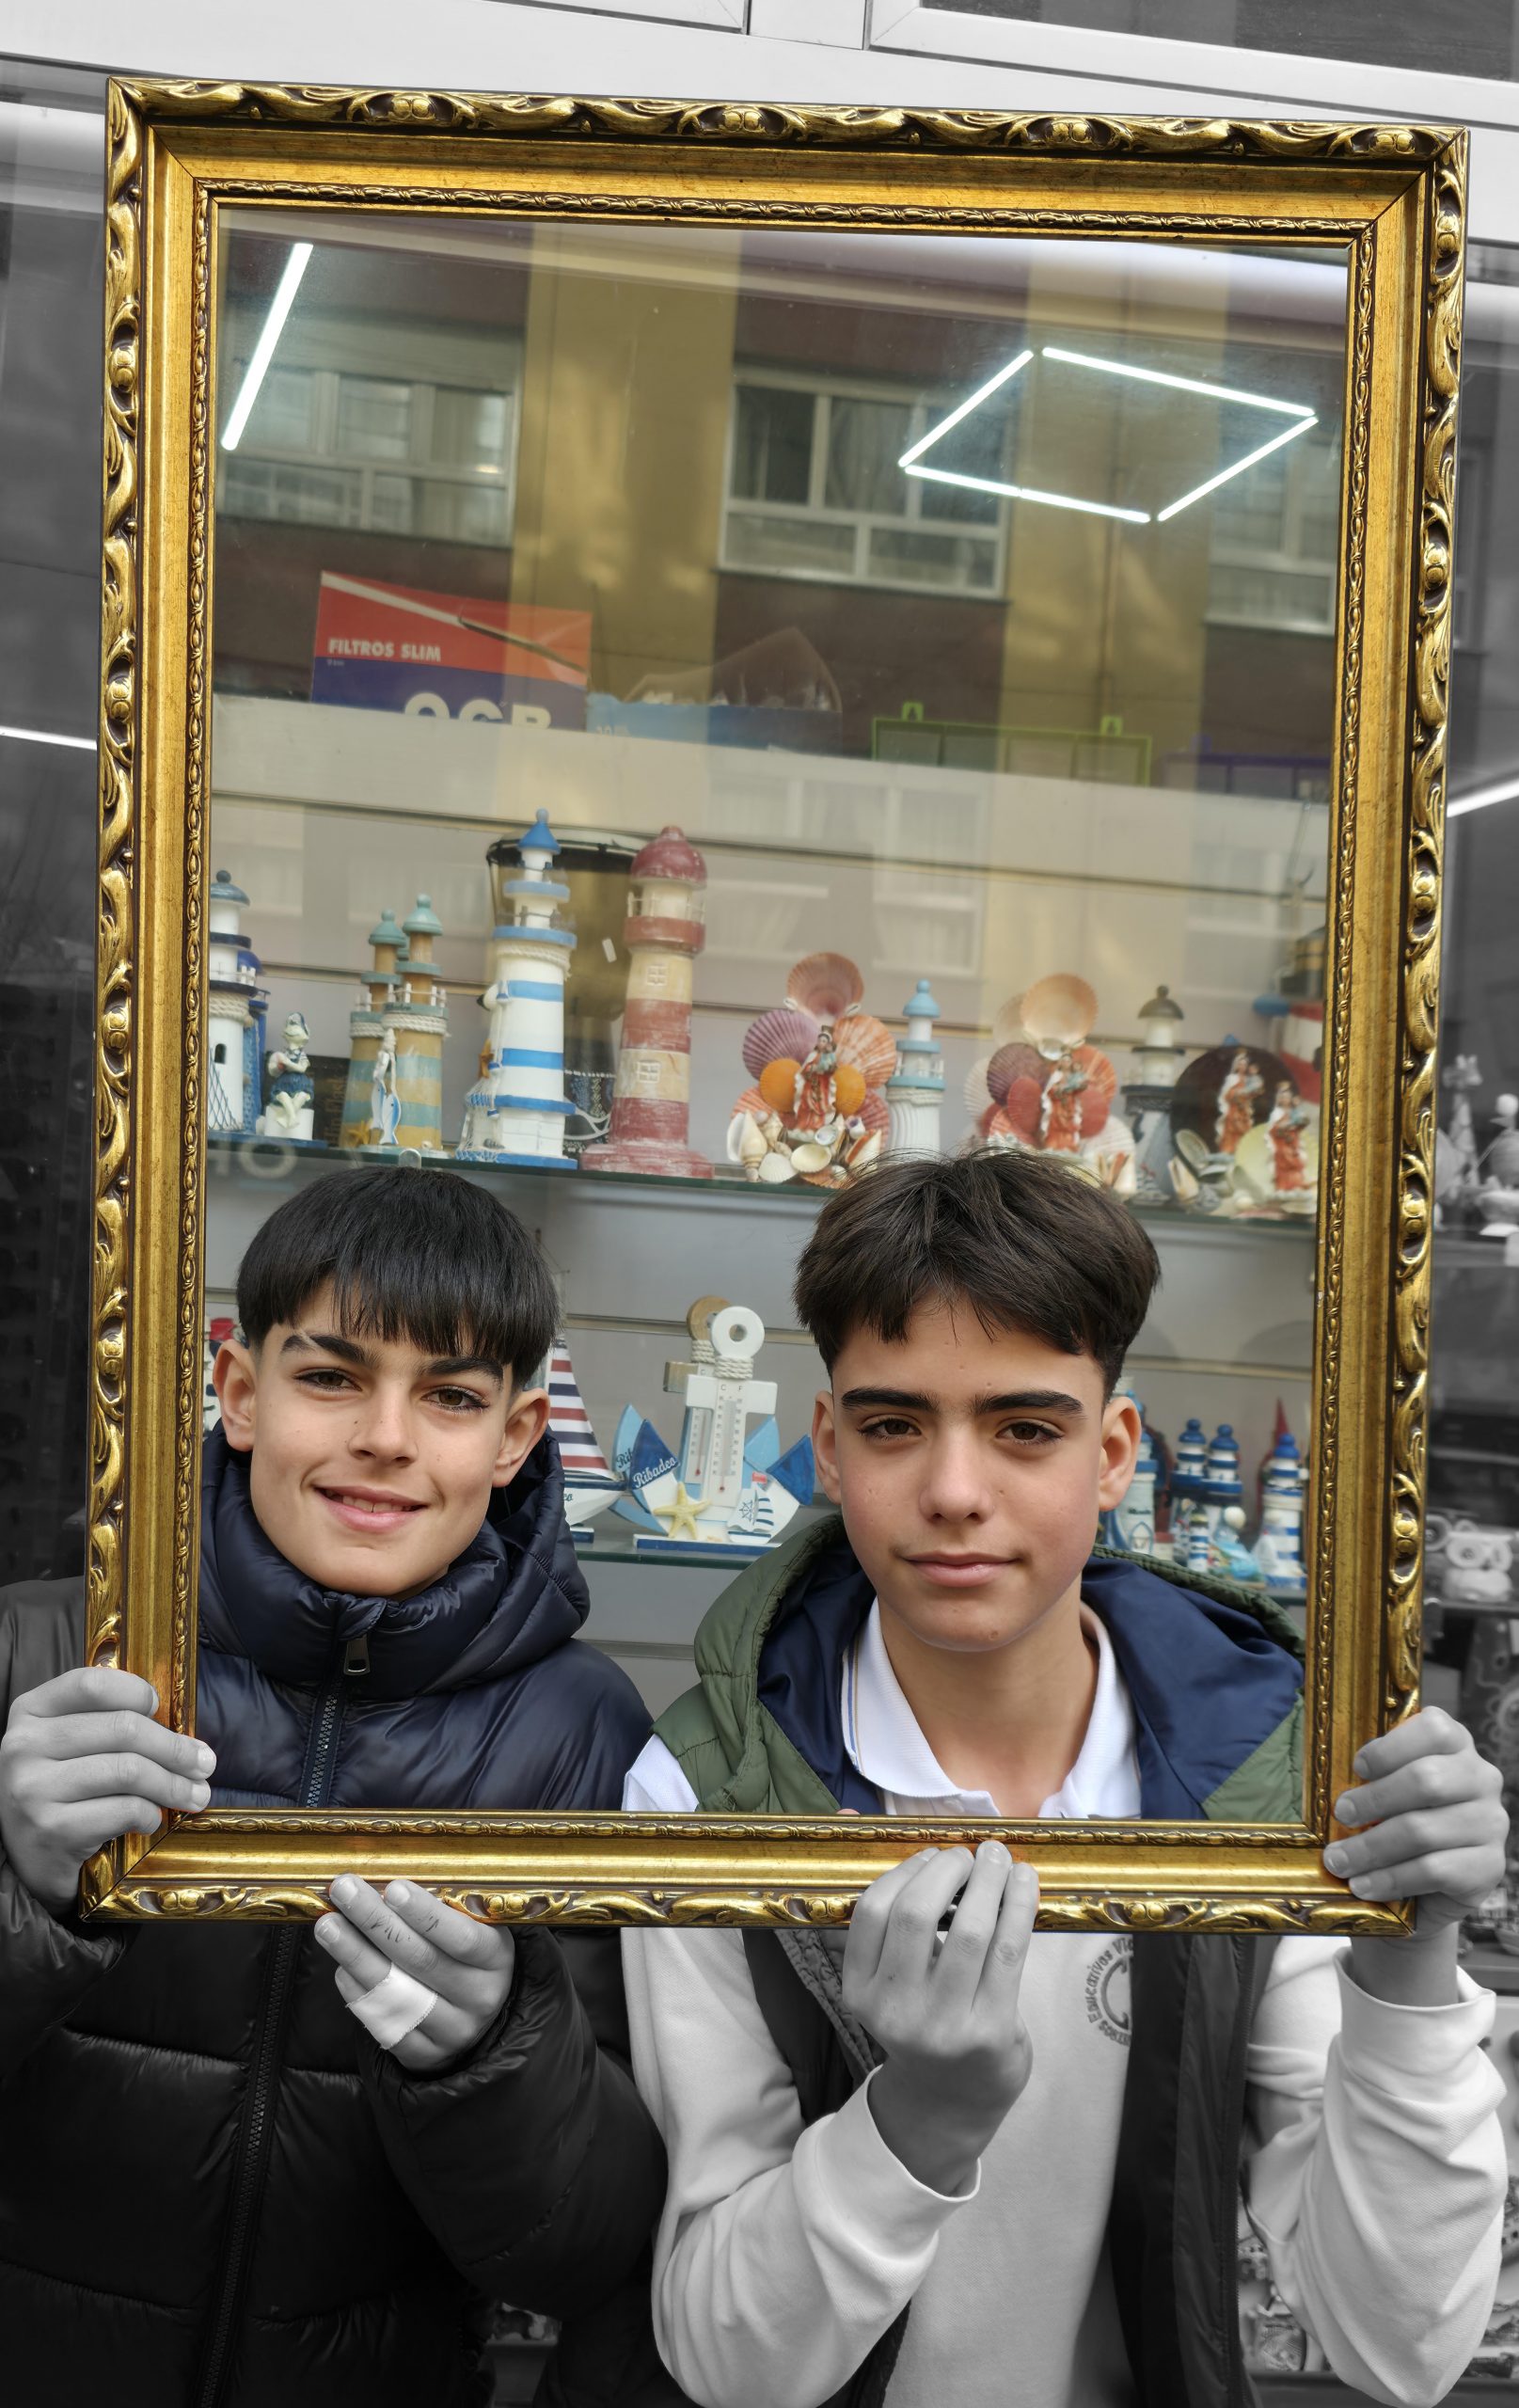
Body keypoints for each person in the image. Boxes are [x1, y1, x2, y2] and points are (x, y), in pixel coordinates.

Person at [622, 1149, 1510, 2408]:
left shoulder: (1267, 1773)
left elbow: (1400, 2346)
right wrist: (920, 2117)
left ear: (1114, 1452)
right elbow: (726, 2358)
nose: (954, 1493)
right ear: (827, 1446)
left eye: (1026, 1430)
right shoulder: (704, 1793)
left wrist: (1411, 1965)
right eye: (892, 1425)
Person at [0, 1166, 668, 2408]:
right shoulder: (43, 1658)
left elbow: (585, 2254)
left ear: (518, 1437)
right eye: (332, 1377)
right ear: (239, 1391)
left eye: (451, 1396)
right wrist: (23, 1902)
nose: (387, 1438)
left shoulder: (583, 1737)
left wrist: (494, 2050)